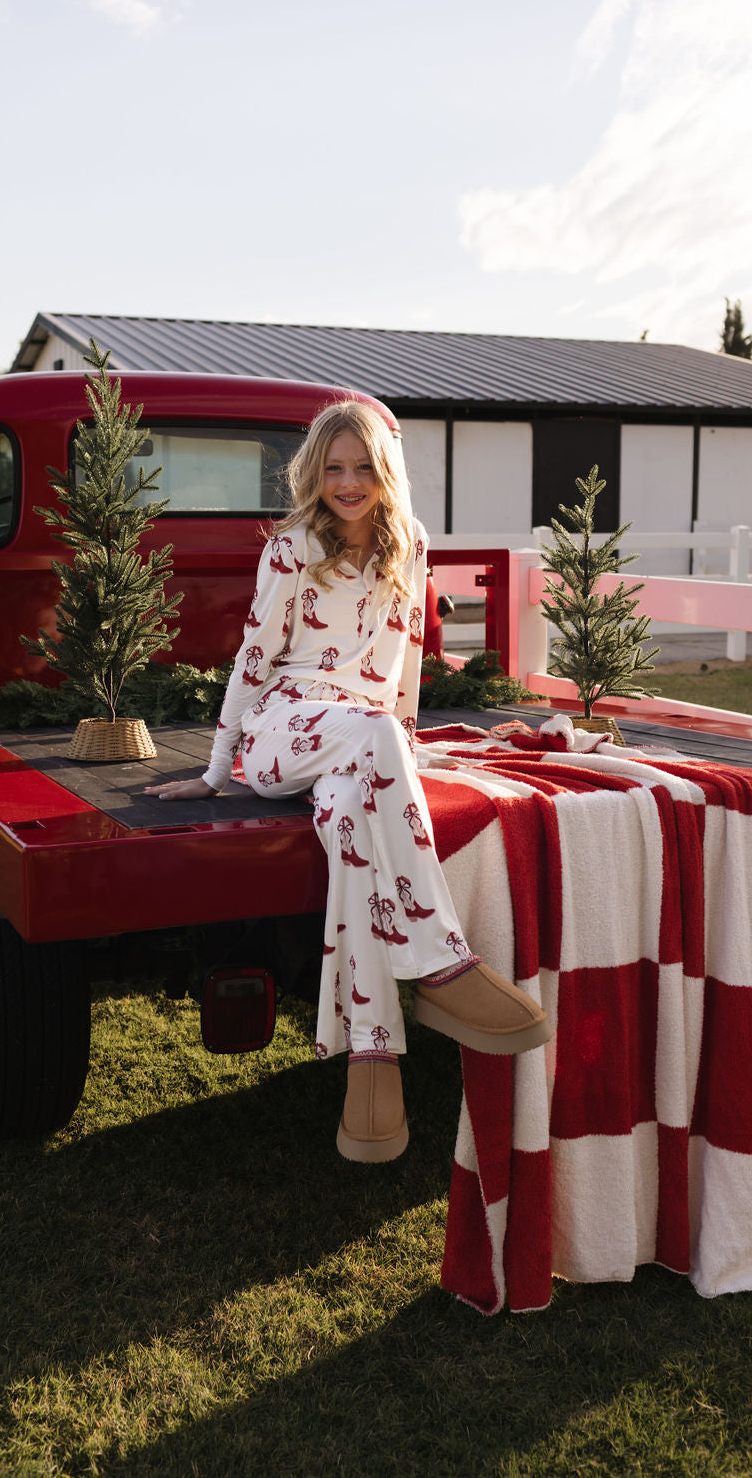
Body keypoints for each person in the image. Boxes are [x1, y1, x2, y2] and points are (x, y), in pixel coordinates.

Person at [145, 400, 551, 1162]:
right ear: (313, 475)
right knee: (370, 737)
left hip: (359, 748)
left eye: (363, 466)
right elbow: (254, 660)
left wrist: (405, 749)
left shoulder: (410, 546)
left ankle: (372, 1059)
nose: (348, 482)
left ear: (385, 472)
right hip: (281, 733)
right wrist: (215, 765)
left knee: (350, 828)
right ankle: (437, 958)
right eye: (333, 468)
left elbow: (403, 671)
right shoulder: (292, 549)